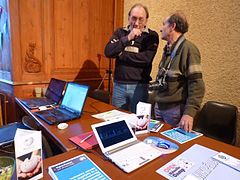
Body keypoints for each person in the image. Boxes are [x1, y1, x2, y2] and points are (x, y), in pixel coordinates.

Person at [152, 11, 205, 132]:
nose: (161, 29)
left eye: (163, 24)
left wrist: (189, 113)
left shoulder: (189, 49)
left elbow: (197, 85)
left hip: (174, 111)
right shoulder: (168, 49)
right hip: (159, 107)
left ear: (172, 27)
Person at [104, 3, 159, 113]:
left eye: (141, 19)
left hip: (139, 87)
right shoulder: (120, 33)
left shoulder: (151, 36)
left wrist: (121, 54)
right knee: (117, 120)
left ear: (146, 20)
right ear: (128, 17)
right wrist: (127, 38)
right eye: (133, 18)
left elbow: (145, 60)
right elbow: (108, 52)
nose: (137, 23)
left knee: (138, 123)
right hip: (119, 85)